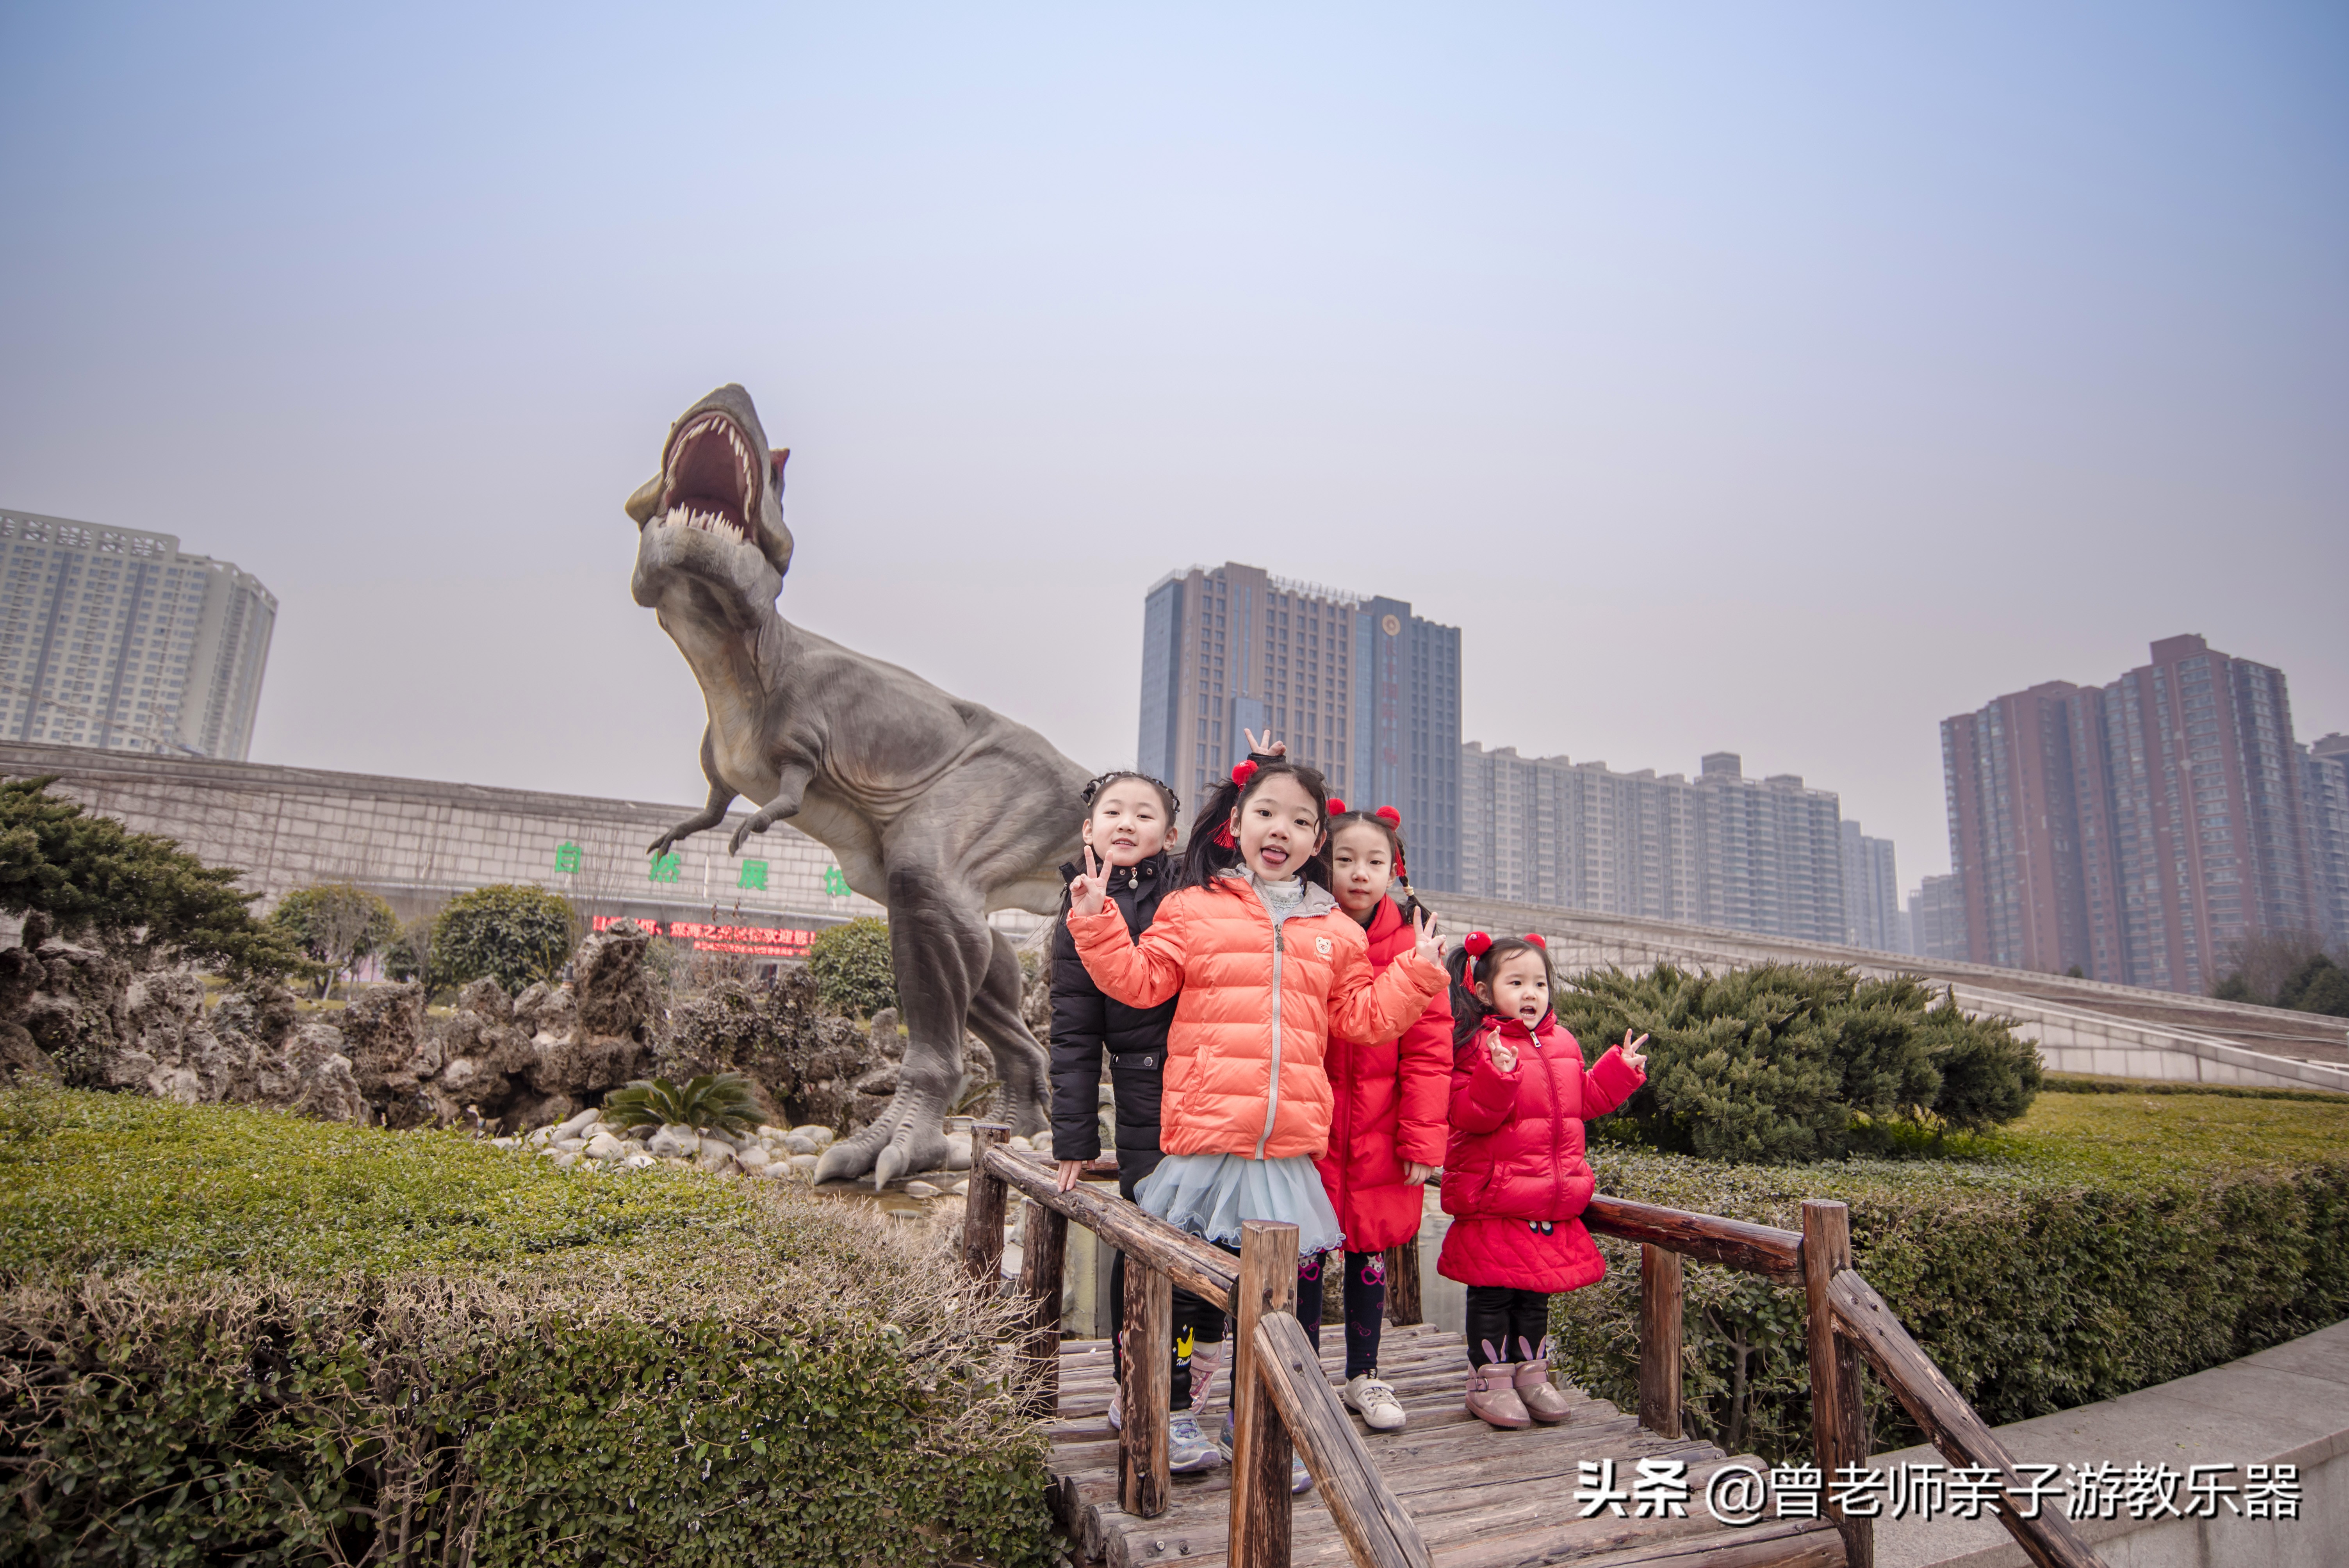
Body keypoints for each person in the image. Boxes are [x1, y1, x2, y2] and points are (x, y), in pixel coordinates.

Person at [1066, 756, 1448, 1487]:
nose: (1283, 828)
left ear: (1315, 845)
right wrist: (1097, 922)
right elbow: (1141, 983)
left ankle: (1264, 1423)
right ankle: (1173, 1415)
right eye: (1267, 812)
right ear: (1236, 826)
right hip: (1208, 1139)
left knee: (1284, 1304)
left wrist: (1419, 973)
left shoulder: (1335, 928)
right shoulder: (1192, 906)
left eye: (1302, 821)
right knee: (1189, 1287)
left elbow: (1364, 1021)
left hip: (1285, 1156)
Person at [1436, 931, 1649, 1429]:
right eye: (1516, 982)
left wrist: (1620, 1070)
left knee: (1534, 1296)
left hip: (1544, 1201)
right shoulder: (1474, 1043)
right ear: (1485, 991)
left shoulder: (1563, 1041)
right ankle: (1488, 1380)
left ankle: (1531, 1376)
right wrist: (1498, 1073)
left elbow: (1585, 1100)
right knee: (1492, 1294)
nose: (1531, 993)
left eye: (1539, 982)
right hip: (1496, 1197)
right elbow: (1467, 1114)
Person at [1048, 770, 1182, 1435]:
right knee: (1145, 1229)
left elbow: (1249, 841)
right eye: (1113, 812)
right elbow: (1073, 1035)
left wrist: (1257, 780)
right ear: (1088, 829)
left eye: (1145, 815)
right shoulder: (1075, 910)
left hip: (1212, 1084)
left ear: (1172, 834)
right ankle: (1131, 1378)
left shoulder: (1190, 889)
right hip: (1141, 1087)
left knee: (1207, 1235)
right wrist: (1073, 1138)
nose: (1126, 824)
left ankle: (1184, 1382)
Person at [1312, 802, 1450, 1433]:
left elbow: (1430, 1054)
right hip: (1310, 1130)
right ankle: (1304, 1373)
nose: (1359, 873)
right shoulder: (1304, 928)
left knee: (1370, 1257)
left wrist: (1423, 1138)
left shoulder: (1417, 947)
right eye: (1344, 860)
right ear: (1322, 862)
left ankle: (1363, 1374)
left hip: (1382, 1132)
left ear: (1396, 869)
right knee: (1304, 1256)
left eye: (1375, 861)